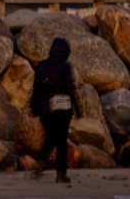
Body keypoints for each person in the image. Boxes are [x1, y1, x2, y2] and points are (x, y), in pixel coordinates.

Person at [31, 36, 80, 183]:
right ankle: (60, 174)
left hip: (46, 109)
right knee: (61, 141)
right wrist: (78, 108)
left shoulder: (41, 66)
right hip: (64, 109)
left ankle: (41, 159)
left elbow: (36, 90)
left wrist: (34, 108)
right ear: (65, 52)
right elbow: (71, 89)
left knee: (52, 136)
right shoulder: (65, 67)